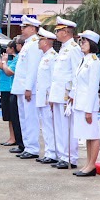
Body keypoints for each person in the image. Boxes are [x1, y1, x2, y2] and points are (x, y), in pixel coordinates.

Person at [48, 19, 82, 169]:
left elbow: (76, 73)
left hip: (66, 94)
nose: (56, 33)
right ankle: (62, 155)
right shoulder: (63, 48)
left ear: (66, 32)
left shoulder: (74, 49)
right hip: (57, 94)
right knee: (59, 127)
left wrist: (73, 94)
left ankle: (70, 157)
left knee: (67, 127)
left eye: (58, 30)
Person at [70, 30, 100, 177]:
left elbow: (92, 87)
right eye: (81, 41)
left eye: (84, 42)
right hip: (80, 103)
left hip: (88, 105)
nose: (81, 44)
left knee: (92, 134)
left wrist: (89, 110)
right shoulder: (84, 60)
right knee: (87, 135)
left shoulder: (94, 62)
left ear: (92, 44)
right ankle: (88, 163)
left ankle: (92, 165)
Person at [12, 18, 44, 159]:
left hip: (28, 88)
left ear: (33, 29)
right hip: (20, 87)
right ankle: (27, 146)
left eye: (25, 27)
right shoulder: (27, 44)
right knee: (23, 118)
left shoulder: (35, 44)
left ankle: (32, 148)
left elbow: (33, 68)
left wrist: (28, 88)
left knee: (30, 118)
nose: (22, 29)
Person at [33, 29, 59, 164]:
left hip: (48, 98)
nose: (38, 42)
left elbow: (54, 79)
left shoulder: (53, 57)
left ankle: (52, 153)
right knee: (46, 126)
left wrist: (51, 98)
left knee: (50, 127)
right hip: (42, 97)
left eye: (40, 40)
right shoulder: (44, 57)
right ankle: (50, 152)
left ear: (46, 42)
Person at [0, 38, 22, 151]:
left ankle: (14, 138)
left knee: (12, 116)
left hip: (10, 89)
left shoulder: (15, 59)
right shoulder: (10, 59)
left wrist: (0, 58)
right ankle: (12, 137)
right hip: (5, 88)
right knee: (8, 116)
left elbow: (7, 70)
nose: (7, 50)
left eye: (9, 48)